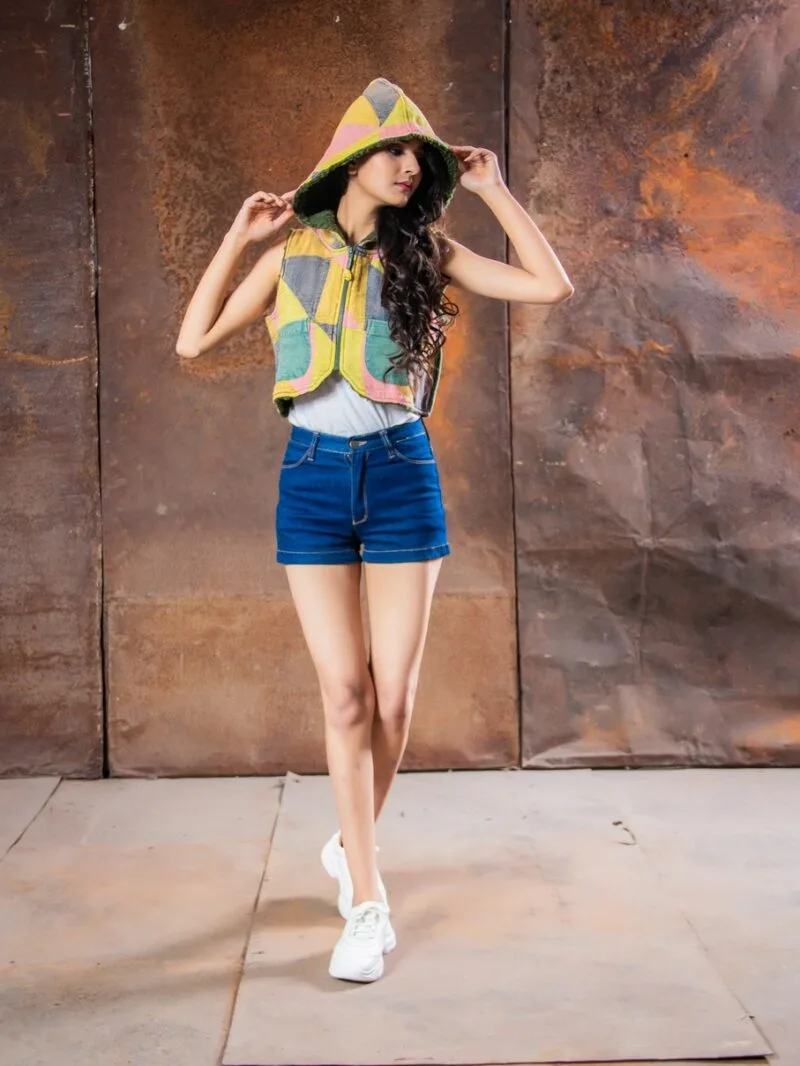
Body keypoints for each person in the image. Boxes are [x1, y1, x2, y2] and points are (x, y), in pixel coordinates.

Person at [176, 77, 573, 983]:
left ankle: (351, 843)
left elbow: (550, 285)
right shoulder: (294, 254)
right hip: (312, 479)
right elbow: (193, 341)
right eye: (394, 151)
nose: (408, 168)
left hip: (401, 475)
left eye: (419, 158)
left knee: (392, 700)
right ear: (352, 160)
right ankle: (367, 899)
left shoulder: (429, 250)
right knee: (345, 699)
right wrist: (239, 240)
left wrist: (492, 190)